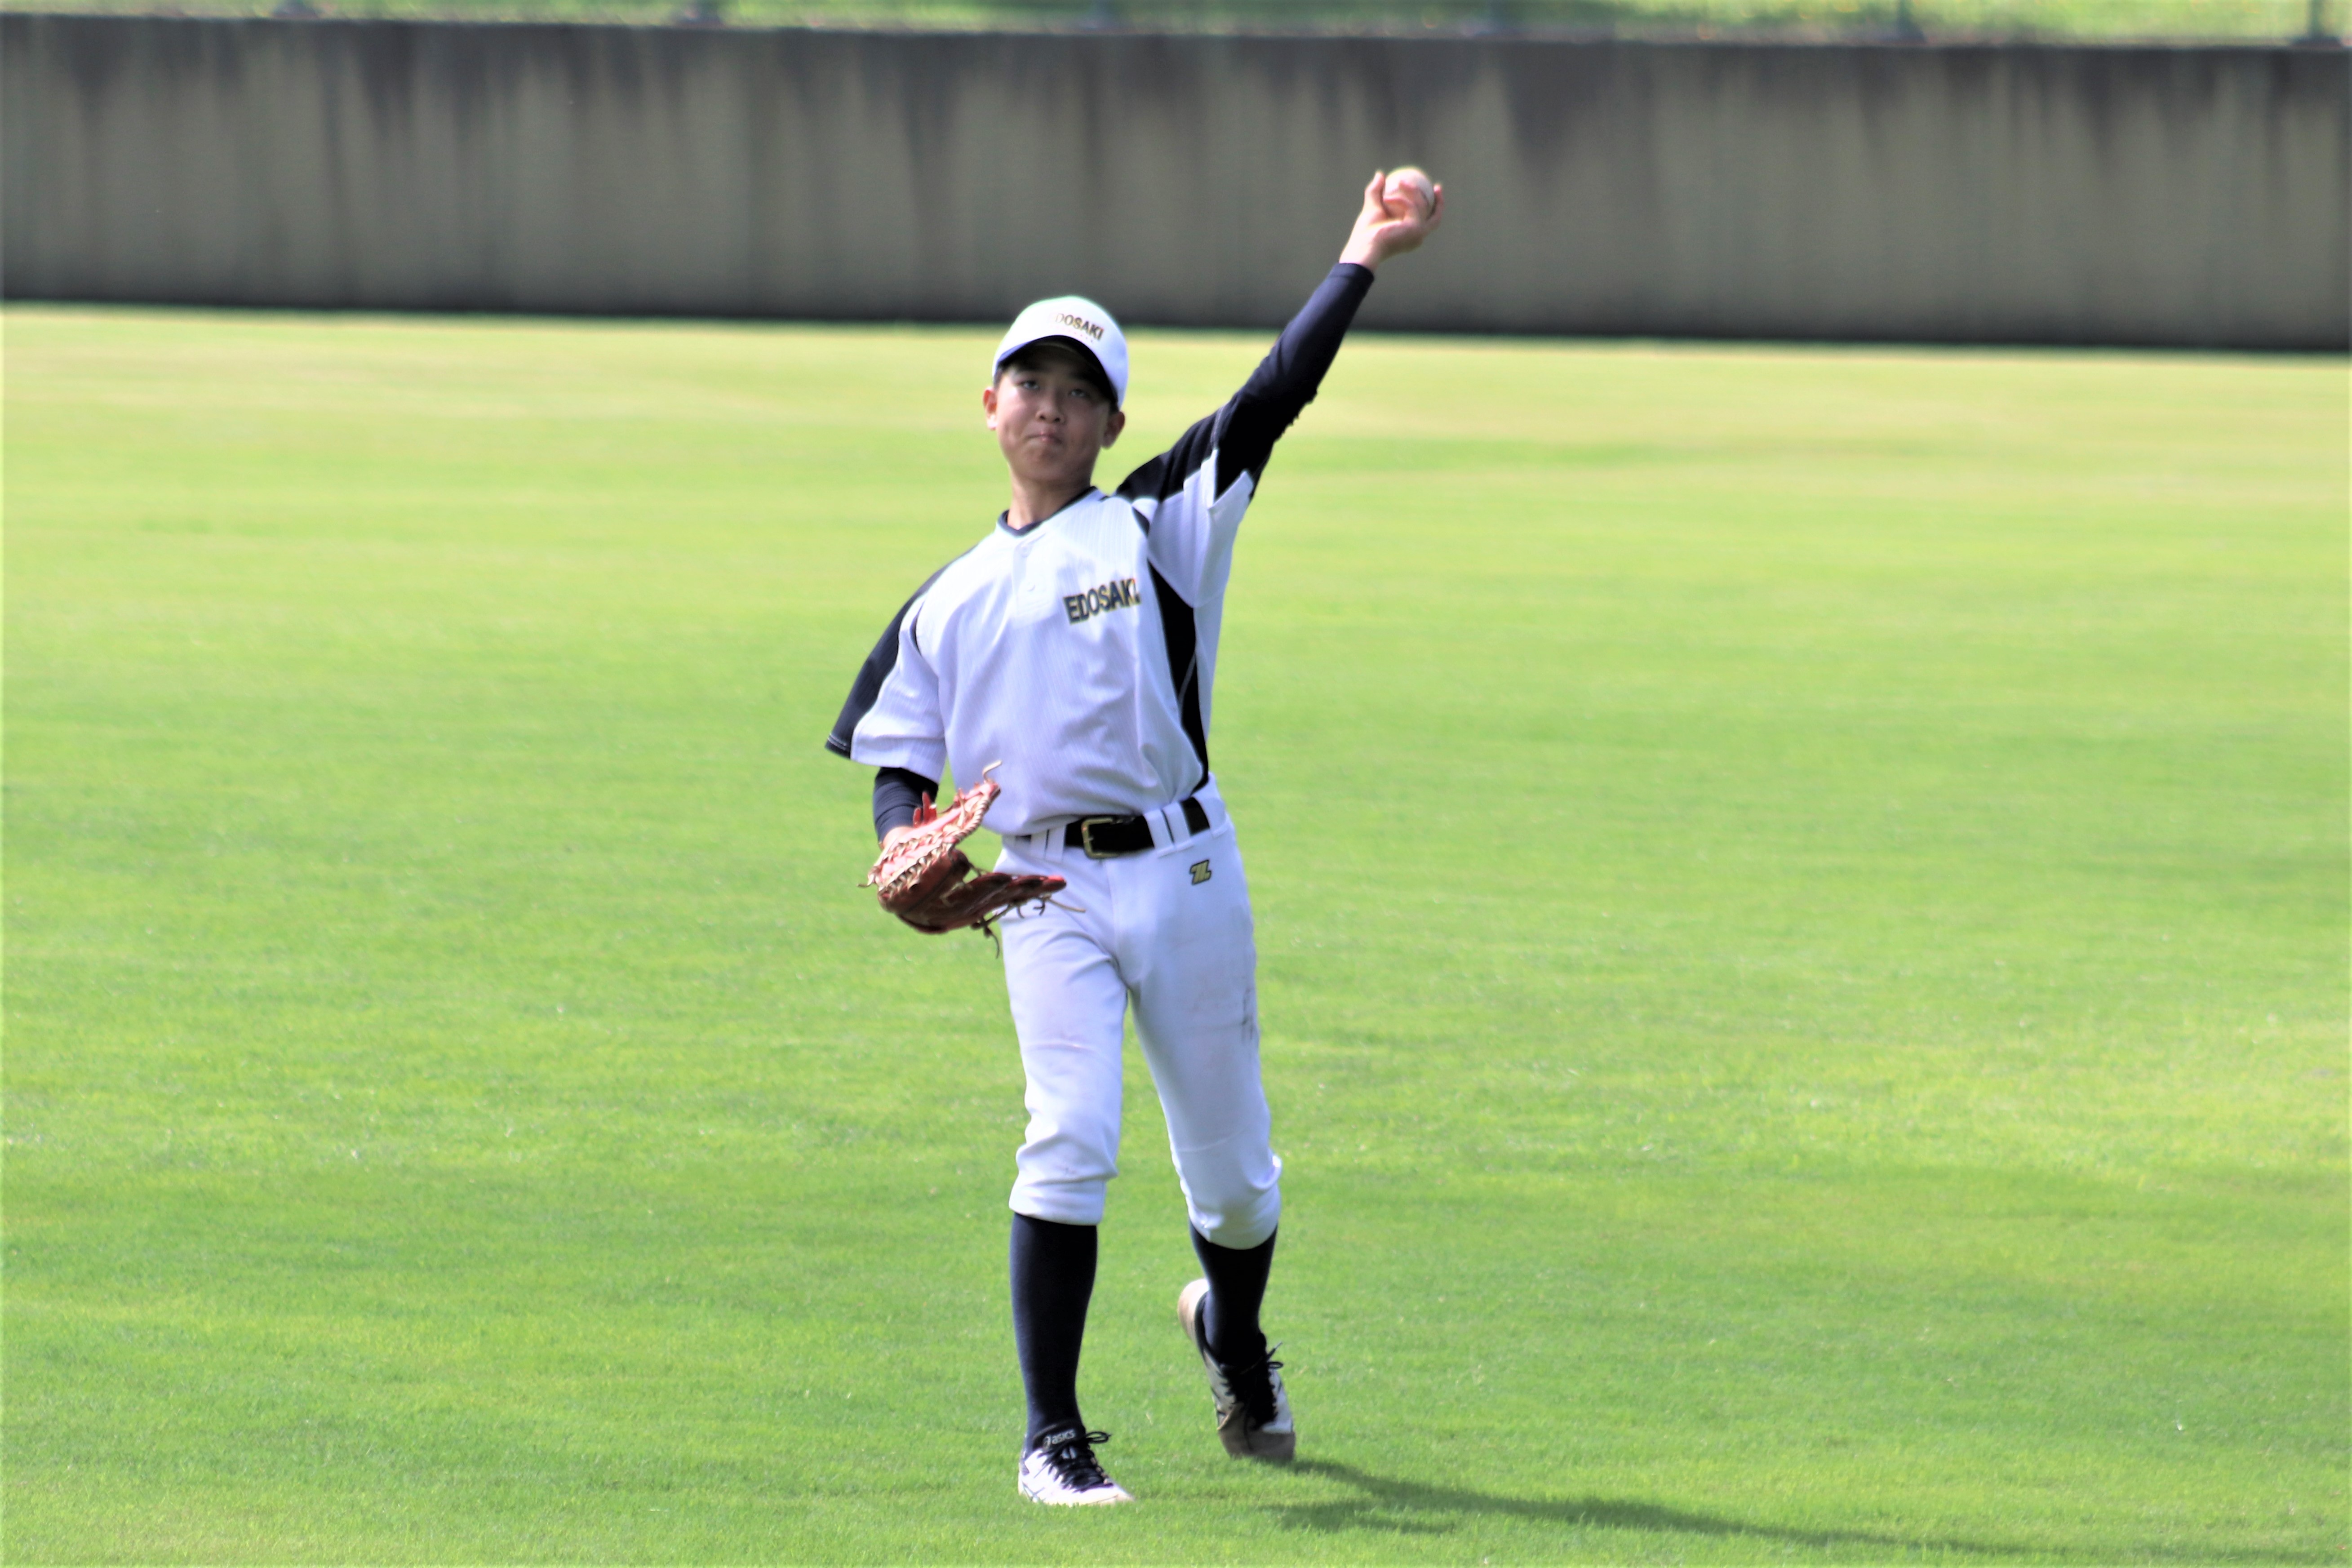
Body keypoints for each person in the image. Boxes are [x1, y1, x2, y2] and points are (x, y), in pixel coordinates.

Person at [826, 170, 1443, 1506]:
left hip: (1186, 870)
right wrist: (906, 843)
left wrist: (1361, 253)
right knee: (1067, 1139)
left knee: (1237, 1183)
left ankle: (1231, 1330)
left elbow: (1273, 395)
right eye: (1027, 383)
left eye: (1077, 389)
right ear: (989, 404)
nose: (1048, 406)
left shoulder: (1162, 521)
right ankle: (1052, 1439)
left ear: (1112, 422)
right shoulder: (945, 601)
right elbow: (896, 753)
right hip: (1041, 890)